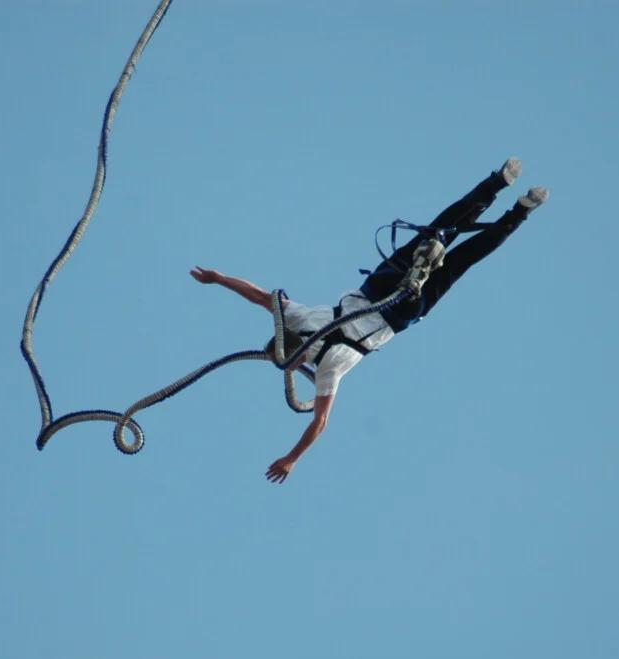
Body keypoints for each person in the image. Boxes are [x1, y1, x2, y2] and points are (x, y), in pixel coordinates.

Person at [190, 158, 547, 483]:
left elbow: (320, 421)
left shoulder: (319, 359)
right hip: (389, 298)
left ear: (292, 355)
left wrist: (293, 457)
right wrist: (219, 279)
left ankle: (510, 202)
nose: (292, 366)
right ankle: (504, 194)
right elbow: (258, 297)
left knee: (455, 253)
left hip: (393, 305)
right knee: (448, 242)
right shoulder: (307, 336)